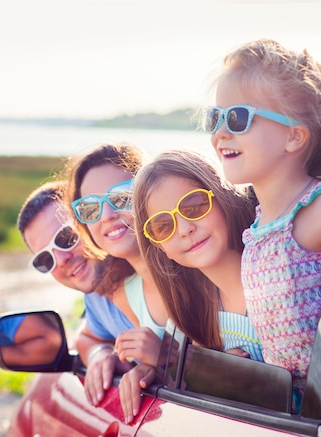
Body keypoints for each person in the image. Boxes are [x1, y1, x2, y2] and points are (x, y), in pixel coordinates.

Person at [203, 39, 321, 411]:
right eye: (213, 118)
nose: (220, 133)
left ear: (293, 136)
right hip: (288, 408)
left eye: (236, 118)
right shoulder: (258, 225)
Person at [118, 148, 261, 422]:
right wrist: (154, 372)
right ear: (158, 246)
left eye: (194, 207)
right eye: (162, 226)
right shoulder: (199, 314)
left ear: (221, 196)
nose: (184, 229)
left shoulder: (272, 279)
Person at [63, 142, 168, 407]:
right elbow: (87, 337)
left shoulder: (193, 269)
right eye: (89, 208)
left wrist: (166, 360)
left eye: (122, 197)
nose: (107, 215)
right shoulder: (122, 291)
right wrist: (153, 370)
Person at [17, 180, 134, 346]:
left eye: (66, 238)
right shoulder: (96, 298)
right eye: (45, 259)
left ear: (90, 218)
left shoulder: (152, 274)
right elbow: (86, 337)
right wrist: (99, 354)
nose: (61, 260)